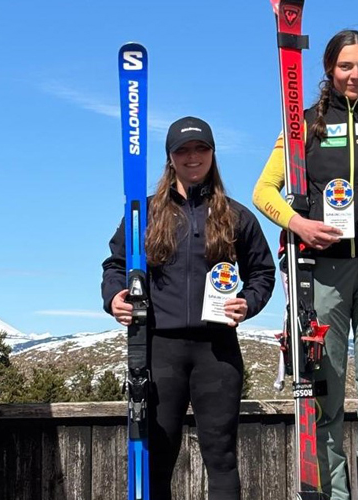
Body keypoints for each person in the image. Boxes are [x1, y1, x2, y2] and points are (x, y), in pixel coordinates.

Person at [253, 29, 358, 500]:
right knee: (322, 393)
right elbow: (263, 191)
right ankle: (333, 494)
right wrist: (299, 225)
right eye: (346, 66)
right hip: (319, 271)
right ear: (330, 69)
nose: (355, 75)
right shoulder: (302, 124)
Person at [101, 116, 276, 500]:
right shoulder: (142, 213)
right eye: (183, 150)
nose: (192, 157)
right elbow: (116, 265)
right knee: (159, 457)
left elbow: (263, 271)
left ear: (213, 154)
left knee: (222, 456)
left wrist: (248, 303)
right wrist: (114, 296)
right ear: (170, 158)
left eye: (201, 149)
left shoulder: (236, 215)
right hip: (159, 348)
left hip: (217, 352)